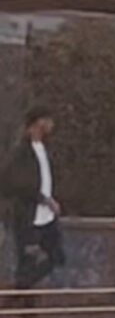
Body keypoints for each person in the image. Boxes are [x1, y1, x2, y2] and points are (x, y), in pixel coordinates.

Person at [3, 109, 63, 290]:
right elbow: (11, 182)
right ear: (39, 123)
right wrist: (43, 199)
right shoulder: (21, 152)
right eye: (48, 121)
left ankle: (17, 291)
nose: (52, 126)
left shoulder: (46, 149)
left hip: (47, 217)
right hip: (28, 216)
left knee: (56, 257)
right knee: (27, 261)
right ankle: (20, 298)